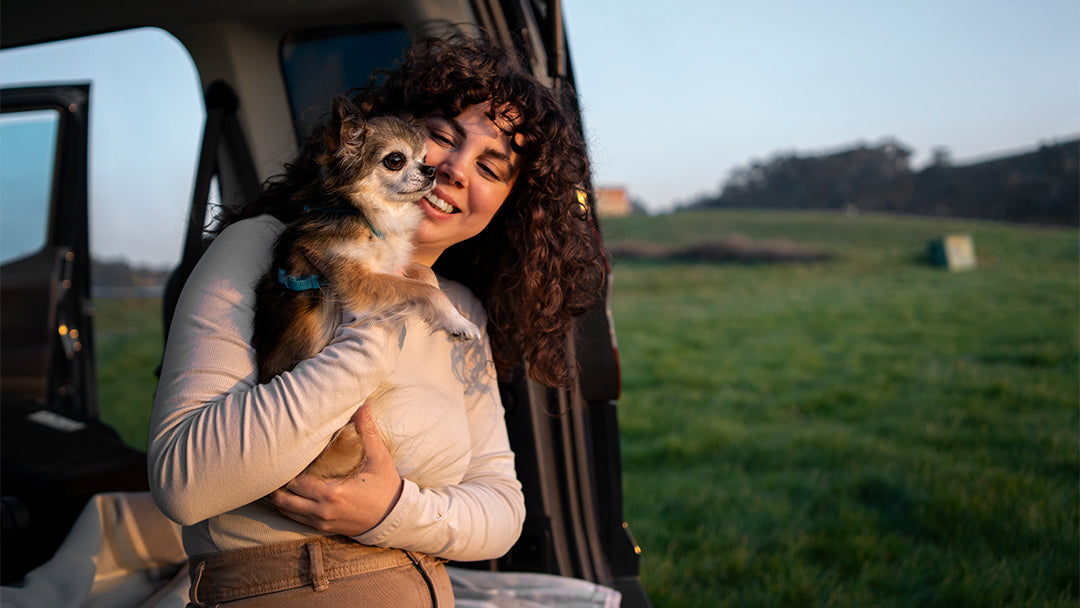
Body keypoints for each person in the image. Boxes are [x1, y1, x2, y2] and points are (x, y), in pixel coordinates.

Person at [148, 31, 606, 607]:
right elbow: (184, 486)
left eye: (492, 168)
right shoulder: (262, 248)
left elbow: (502, 509)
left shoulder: (459, 310)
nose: (454, 170)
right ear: (378, 143)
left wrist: (389, 511)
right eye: (442, 138)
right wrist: (373, 326)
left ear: (510, 205)